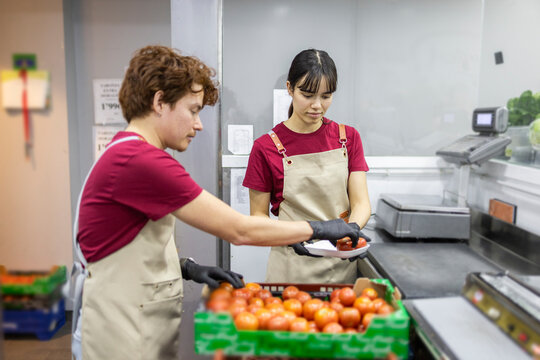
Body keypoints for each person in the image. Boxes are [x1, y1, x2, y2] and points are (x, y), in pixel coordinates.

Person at [71, 45, 361, 360]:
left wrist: (187, 268)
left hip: (133, 323)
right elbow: (240, 229)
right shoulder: (141, 161)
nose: (199, 124)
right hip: (123, 333)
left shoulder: (126, 152)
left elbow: (122, 241)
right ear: (159, 103)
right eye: (193, 110)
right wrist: (320, 228)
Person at [243, 48, 371, 284]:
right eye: (308, 94)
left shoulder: (348, 138)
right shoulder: (266, 147)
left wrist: (349, 231)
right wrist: (291, 238)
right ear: (290, 88)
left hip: (341, 264)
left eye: (326, 96)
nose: (317, 106)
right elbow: (258, 218)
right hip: (291, 266)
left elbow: (361, 202)